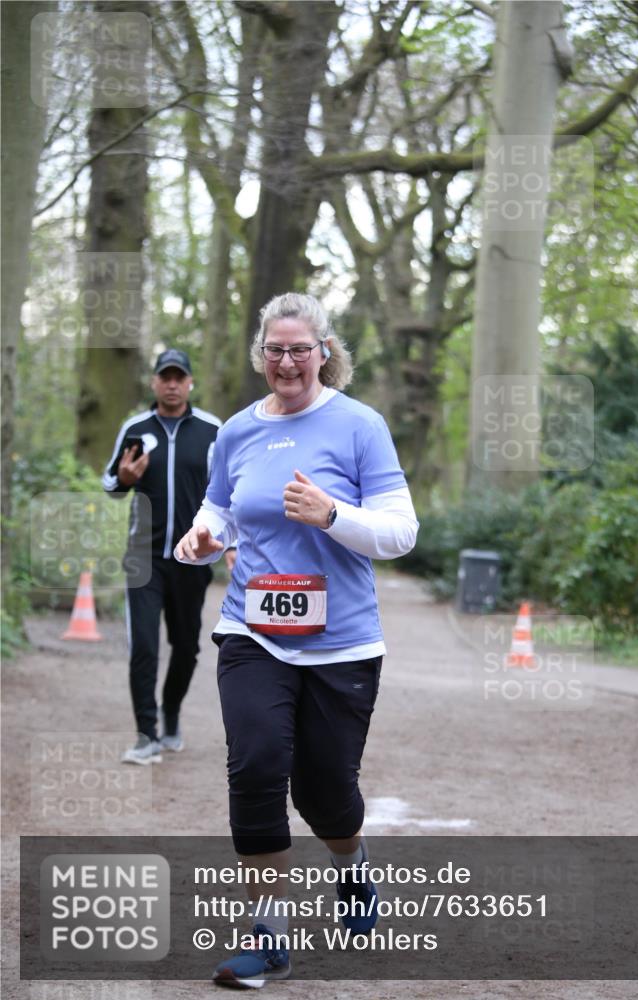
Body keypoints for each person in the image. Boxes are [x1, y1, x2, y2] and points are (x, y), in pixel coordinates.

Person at [175, 293, 418, 988]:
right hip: (253, 631)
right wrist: (203, 537)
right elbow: (221, 506)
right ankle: (269, 938)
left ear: (323, 352)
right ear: (262, 354)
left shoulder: (359, 425)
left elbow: (401, 532)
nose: (287, 362)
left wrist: (332, 513)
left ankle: (350, 864)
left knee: (325, 794)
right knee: (254, 769)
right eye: (275, 350)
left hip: (342, 642)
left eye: (300, 350)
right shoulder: (237, 432)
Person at [103, 348, 228, 765]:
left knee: (186, 647)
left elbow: (228, 492)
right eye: (165, 377)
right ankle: (146, 736)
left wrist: (230, 545)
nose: (172, 384)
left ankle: (170, 710)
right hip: (143, 558)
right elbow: (110, 483)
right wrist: (123, 479)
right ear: (155, 382)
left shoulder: (212, 430)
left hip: (192, 558)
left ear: (190, 382)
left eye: (179, 377)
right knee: (143, 645)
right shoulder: (136, 428)